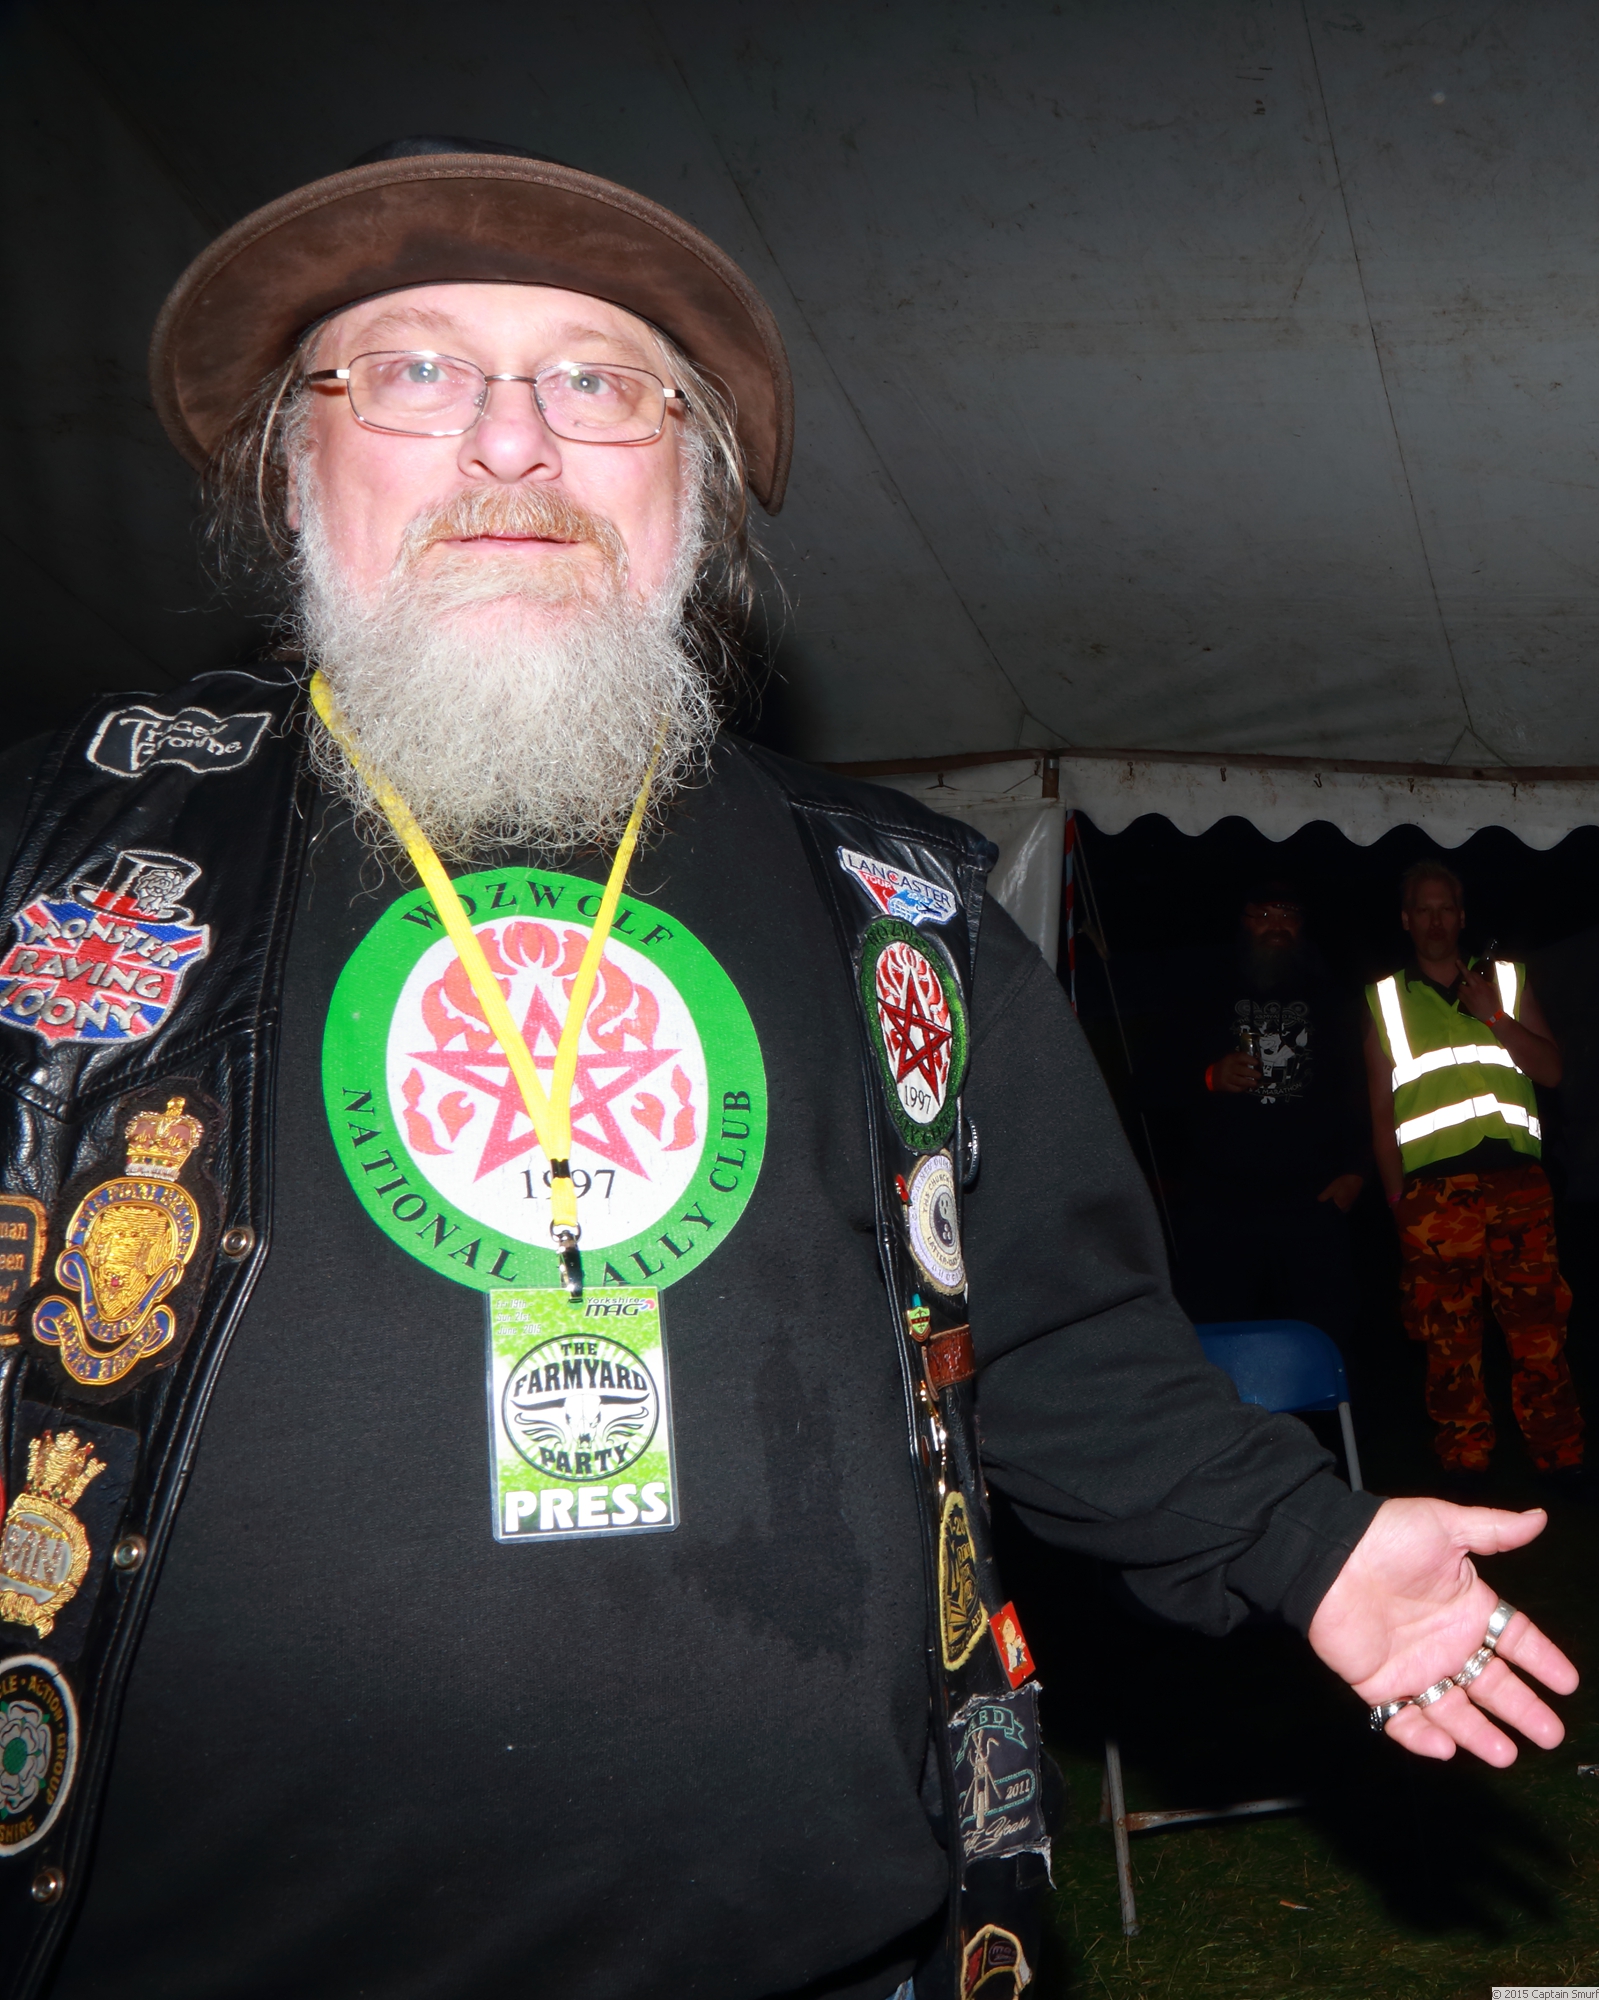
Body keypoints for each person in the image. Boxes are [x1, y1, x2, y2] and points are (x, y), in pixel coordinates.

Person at [0, 139, 1577, 2000]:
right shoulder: (61, 858)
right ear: (291, 463)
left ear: (696, 488)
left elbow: (1053, 1340)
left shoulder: (898, 904)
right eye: (415, 370)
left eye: (599, 384)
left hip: (833, 1955)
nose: (512, 443)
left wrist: (1300, 1542)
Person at [1363, 860, 1584, 1487]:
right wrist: (1396, 1202)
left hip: (1518, 1186)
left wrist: (1494, 1016)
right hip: (1432, 1196)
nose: (1436, 920)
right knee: (1447, 1339)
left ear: (1461, 917)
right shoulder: (1385, 999)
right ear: (1406, 920)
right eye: (1423, 909)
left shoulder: (1506, 982)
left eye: (1446, 908)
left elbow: (1552, 1071)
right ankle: (1464, 1466)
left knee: (1539, 1326)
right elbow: (1380, 1116)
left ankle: (1561, 1458)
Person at [1169, 880, 1366, 1346]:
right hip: (1223, 1206)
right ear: (1242, 923)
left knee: (1322, 1338)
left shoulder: (1333, 997)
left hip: (1311, 1204)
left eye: (1287, 914)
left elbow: (1361, 1086)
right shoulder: (1203, 992)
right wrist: (1209, 1076)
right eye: (1263, 915)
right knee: (1217, 1337)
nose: (1276, 926)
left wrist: (1359, 1170)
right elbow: (1152, 1080)